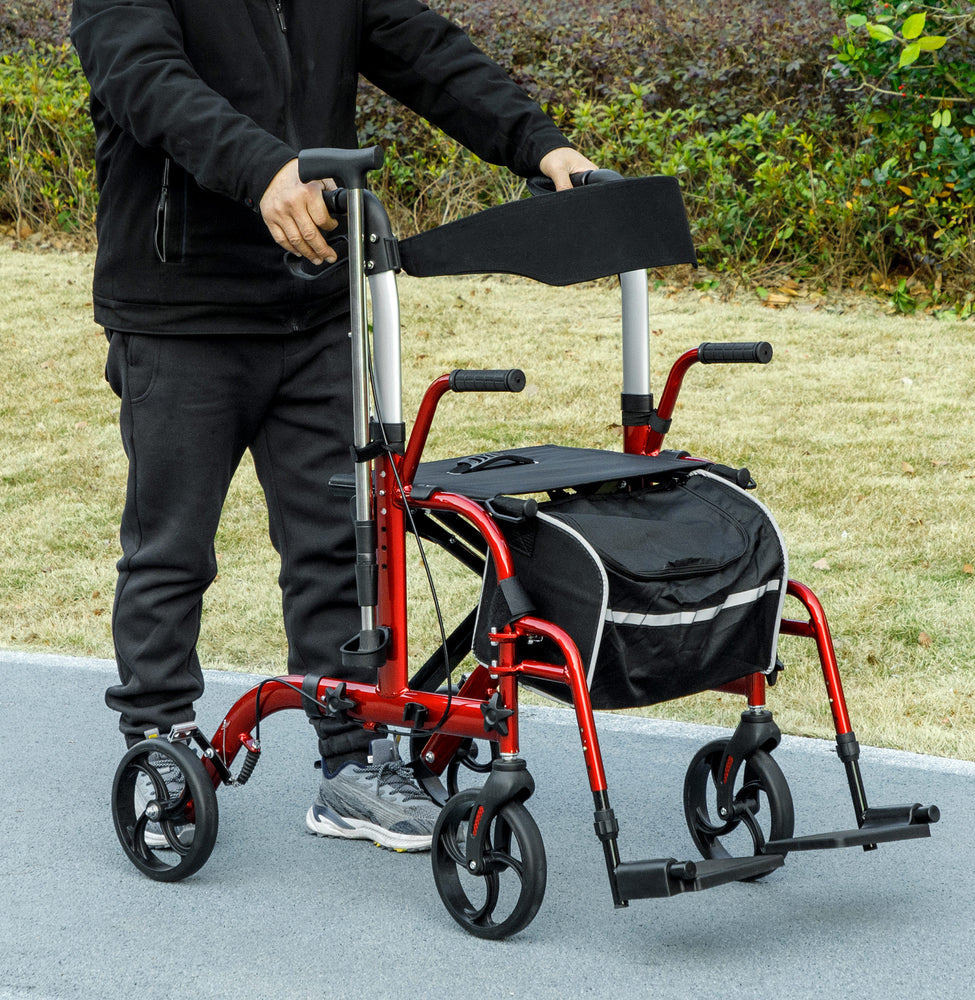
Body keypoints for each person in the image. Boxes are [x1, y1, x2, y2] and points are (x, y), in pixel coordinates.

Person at [70, 0, 596, 851]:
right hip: (179, 312)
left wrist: (538, 142)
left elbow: (427, 52)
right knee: (172, 548)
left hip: (313, 309)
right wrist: (265, 169)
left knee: (337, 542)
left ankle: (351, 765)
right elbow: (146, 83)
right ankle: (159, 742)